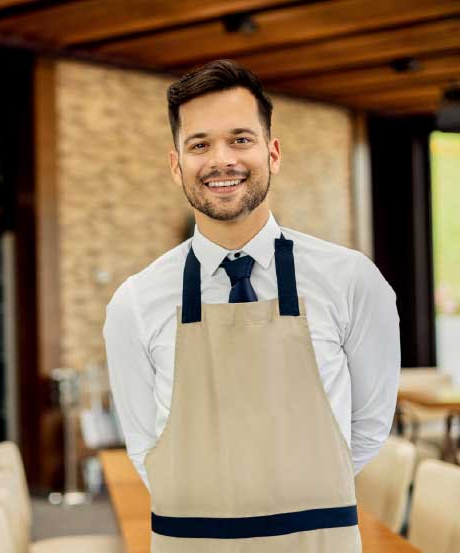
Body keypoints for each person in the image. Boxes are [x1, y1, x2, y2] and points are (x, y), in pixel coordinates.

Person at [103, 60, 400, 552]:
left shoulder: (353, 281)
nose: (222, 160)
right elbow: (145, 448)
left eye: (240, 139)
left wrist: (300, 501)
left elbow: (368, 429)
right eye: (199, 144)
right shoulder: (134, 304)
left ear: (273, 152)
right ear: (177, 165)